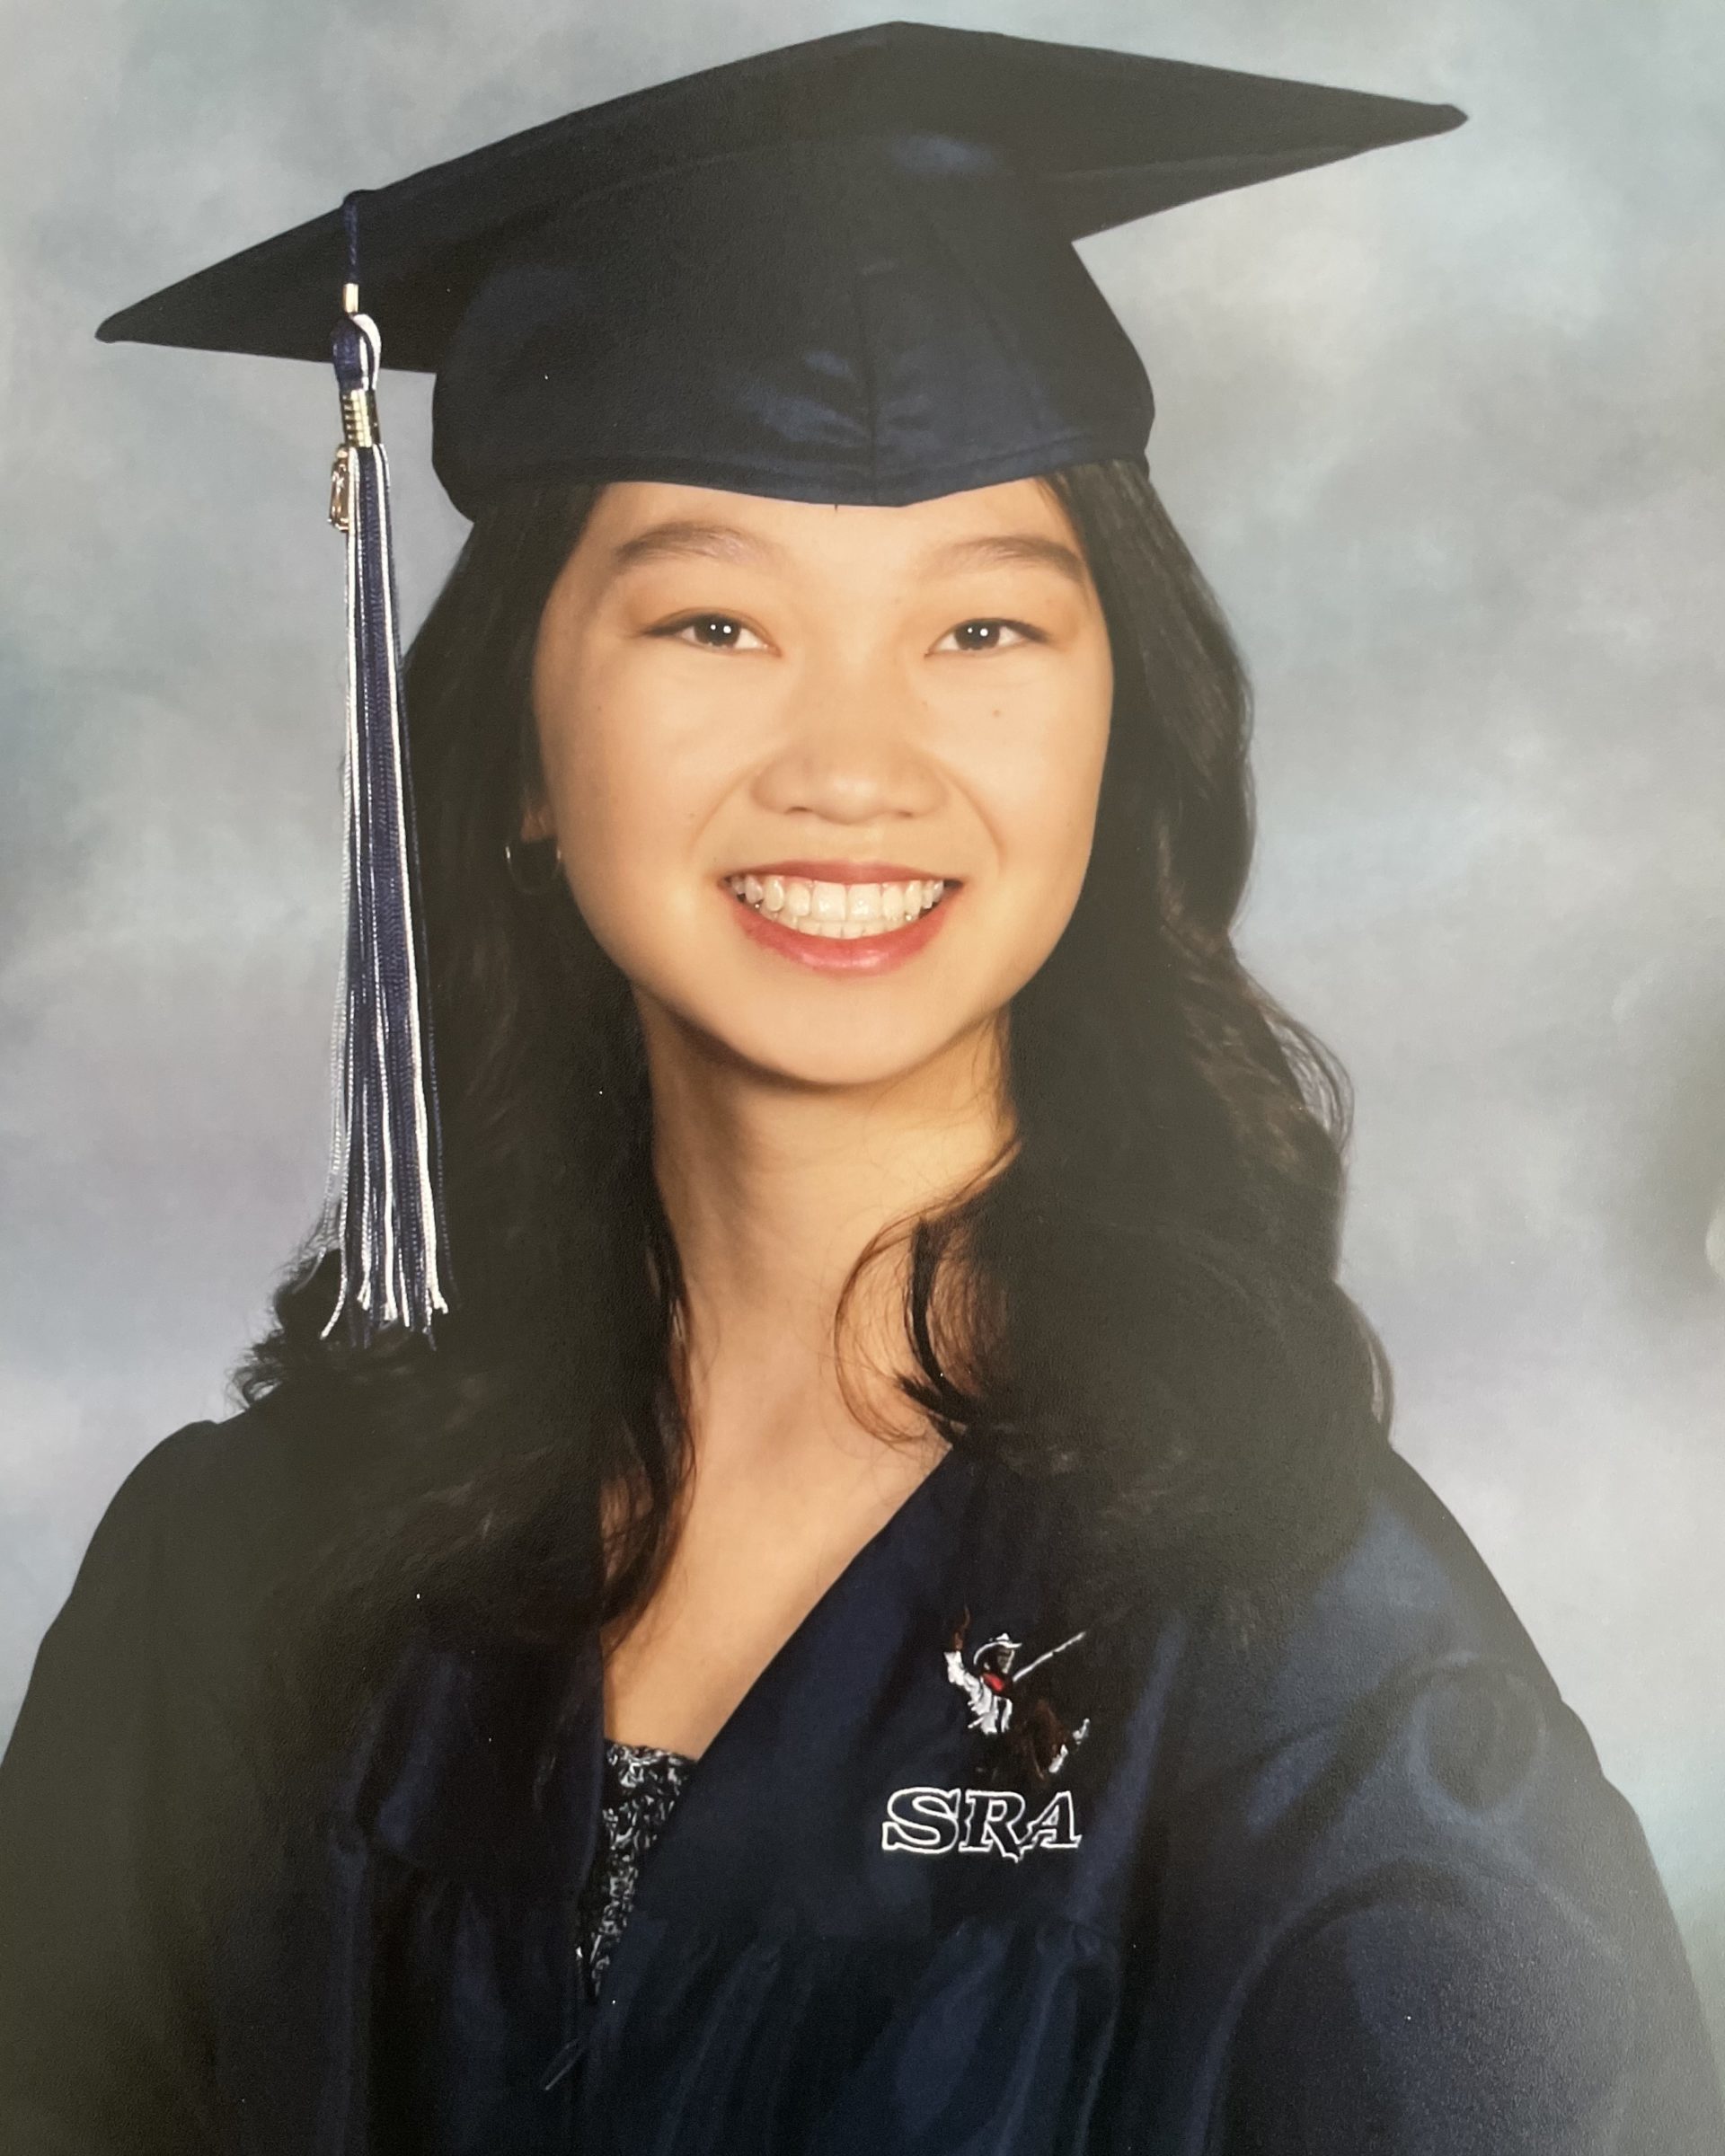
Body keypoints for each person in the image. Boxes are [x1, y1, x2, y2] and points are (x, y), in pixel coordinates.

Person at [1, 22, 1720, 2155]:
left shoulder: (1313, 1675)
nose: (854, 766)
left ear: (1118, 728)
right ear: (520, 750)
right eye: (712, 623)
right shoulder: (228, 1595)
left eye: (984, 631)